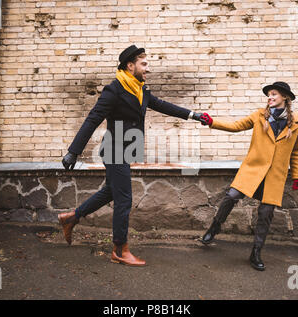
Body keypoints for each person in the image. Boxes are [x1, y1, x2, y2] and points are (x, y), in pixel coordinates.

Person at [58, 45, 208, 267]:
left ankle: (72, 217)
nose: (147, 69)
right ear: (130, 65)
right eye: (144, 64)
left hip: (126, 150)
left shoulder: (140, 89)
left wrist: (193, 115)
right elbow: (93, 118)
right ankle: (120, 249)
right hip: (114, 149)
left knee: (112, 191)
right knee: (124, 198)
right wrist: (73, 151)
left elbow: (162, 105)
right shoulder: (114, 90)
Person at [198, 81, 298, 271]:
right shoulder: (259, 115)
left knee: (265, 214)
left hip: (274, 176)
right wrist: (212, 121)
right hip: (252, 170)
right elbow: (236, 126)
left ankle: (256, 252)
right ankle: (215, 227)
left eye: (274, 94)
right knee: (231, 196)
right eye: (269, 95)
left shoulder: (296, 122)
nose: (270, 98)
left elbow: (296, 152)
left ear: (285, 97)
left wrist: (297, 175)